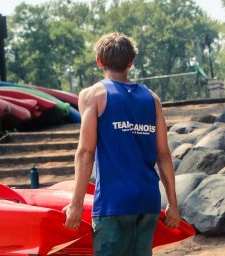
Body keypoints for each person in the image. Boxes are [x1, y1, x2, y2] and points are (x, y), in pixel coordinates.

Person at [63, 32, 181, 256]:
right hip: (147, 202)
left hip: (113, 204)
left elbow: (86, 152)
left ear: (99, 61)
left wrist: (76, 204)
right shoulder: (152, 99)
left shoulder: (93, 95)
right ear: (131, 62)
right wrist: (173, 204)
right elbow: (163, 154)